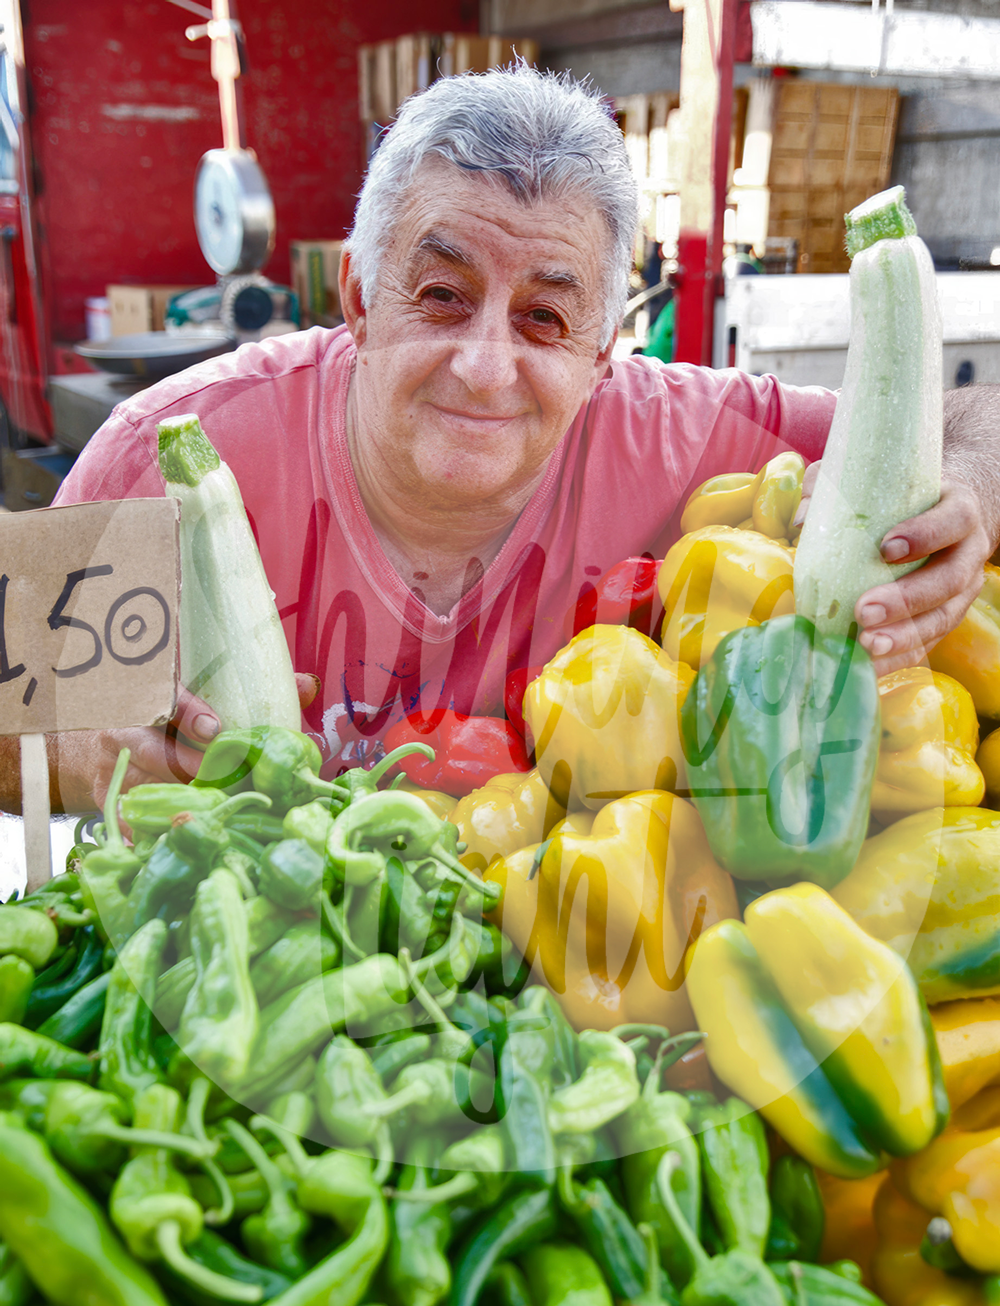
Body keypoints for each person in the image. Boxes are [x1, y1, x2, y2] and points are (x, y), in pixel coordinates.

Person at [6, 63, 999, 814]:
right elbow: (13, 728)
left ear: (605, 350)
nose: (485, 365)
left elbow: (976, 413)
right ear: (357, 298)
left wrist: (965, 476)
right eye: (440, 295)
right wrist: (102, 752)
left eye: (544, 318)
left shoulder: (669, 428)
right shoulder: (160, 454)